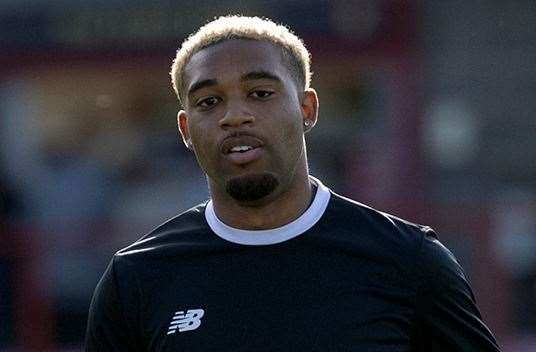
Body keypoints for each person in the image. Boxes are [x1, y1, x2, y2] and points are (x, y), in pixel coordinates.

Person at [85, 15, 500, 351]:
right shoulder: (137, 279)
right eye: (209, 101)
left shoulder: (409, 260)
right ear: (186, 130)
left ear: (306, 107)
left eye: (260, 93)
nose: (235, 116)